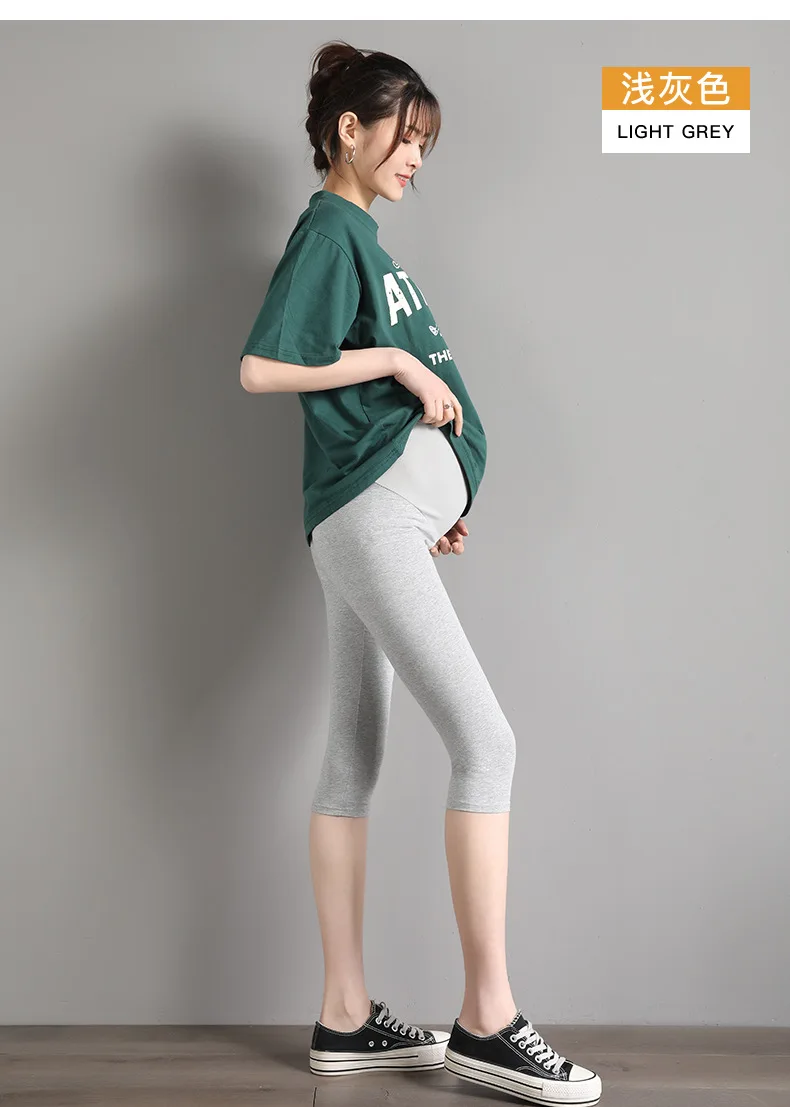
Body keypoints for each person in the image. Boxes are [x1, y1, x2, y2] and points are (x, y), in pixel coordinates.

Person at [239, 39, 602, 1107]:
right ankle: (487, 1020)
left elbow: (355, 402)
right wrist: (399, 365)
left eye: (427, 146)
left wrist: (433, 496)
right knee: (487, 744)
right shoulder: (330, 229)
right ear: (348, 130)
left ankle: (344, 1016)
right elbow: (263, 366)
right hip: (370, 520)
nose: (416, 159)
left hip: (377, 519)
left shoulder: (361, 238)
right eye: (406, 137)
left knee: (353, 755)